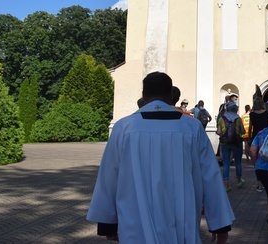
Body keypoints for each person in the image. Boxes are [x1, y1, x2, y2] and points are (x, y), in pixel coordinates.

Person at [87, 71, 234, 243]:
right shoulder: (191, 127)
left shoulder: (124, 128)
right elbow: (210, 176)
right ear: (171, 95)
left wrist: (108, 224)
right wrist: (219, 224)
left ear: (143, 95)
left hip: (135, 226)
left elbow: (108, 177)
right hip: (181, 226)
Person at [217, 102, 246, 191]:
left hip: (225, 144)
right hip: (236, 143)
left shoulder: (222, 118)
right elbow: (243, 131)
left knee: (226, 163)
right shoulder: (238, 119)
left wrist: (223, 133)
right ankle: (238, 182)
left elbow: (218, 132)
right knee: (238, 162)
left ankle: (226, 185)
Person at [249, 95, 268, 192]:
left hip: (256, 137)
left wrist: (249, 138)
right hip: (266, 137)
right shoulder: (267, 113)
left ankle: (259, 183)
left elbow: (250, 127)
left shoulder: (252, 114)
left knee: (257, 161)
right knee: (266, 159)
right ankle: (267, 181)